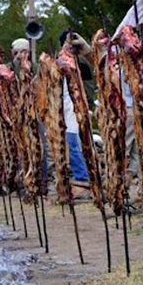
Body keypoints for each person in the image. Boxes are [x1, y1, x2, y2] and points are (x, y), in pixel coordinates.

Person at [58, 29, 93, 188]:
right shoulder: (58, 62)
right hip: (64, 106)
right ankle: (82, 174)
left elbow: (89, 80)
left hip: (77, 105)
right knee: (71, 142)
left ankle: (83, 175)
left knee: (78, 141)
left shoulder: (80, 63)